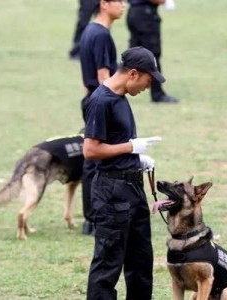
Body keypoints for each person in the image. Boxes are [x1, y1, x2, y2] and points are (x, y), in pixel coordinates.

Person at [83, 46, 164, 300]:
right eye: (147, 81)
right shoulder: (100, 101)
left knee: (141, 262)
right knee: (108, 266)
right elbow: (90, 150)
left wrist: (136, 160)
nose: (147, 87)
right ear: (133, 74)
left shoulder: (121, 98)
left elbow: (112, 143)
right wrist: (131, 147)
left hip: (132, 188)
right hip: (111, 194)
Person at [79, 0, 126, 235]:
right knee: (98, 161)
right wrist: (112, 106)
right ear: (104, 4)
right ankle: (96, 217)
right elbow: (102, 76)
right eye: (119, 1)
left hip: (89, 98)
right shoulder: (101, 35)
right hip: (100, 99)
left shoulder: (88, 30)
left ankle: (90, 217)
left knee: (91, 163)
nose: (124, 5)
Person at [126, 0, 179, 103]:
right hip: (145, 15)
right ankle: (157, 95)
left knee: (132, 56)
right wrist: (165, 2)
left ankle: (117, 88)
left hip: (134, 12)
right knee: (152, 55)